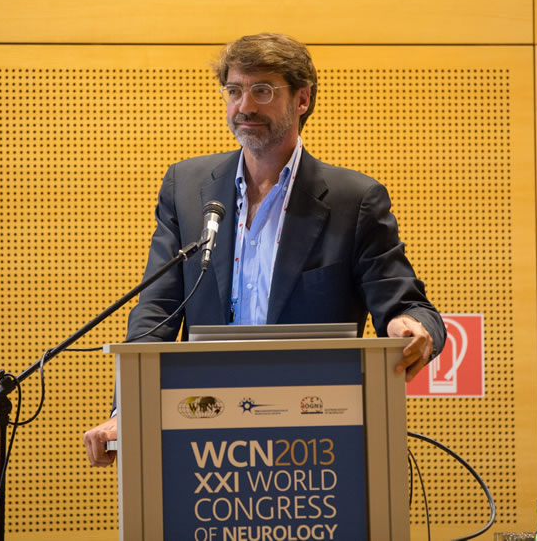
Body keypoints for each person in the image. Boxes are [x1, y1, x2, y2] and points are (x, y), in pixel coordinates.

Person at [84, 33, 446, 467]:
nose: (245, 107)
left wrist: (411, 326)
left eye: (262, 90)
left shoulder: (354, 200)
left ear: (302, 99)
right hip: (203, 434)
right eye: (234, 91)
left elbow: (407, 305)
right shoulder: (187, 188)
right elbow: (157, 311)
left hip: (316, 440)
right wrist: (126, 412)